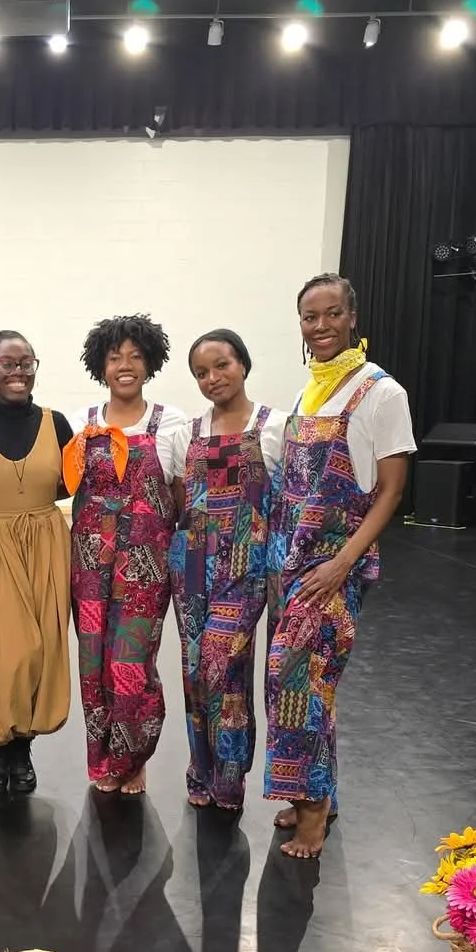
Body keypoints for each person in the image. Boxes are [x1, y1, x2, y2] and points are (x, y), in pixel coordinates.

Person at [266, 273, 415, 858]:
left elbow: (392, 491)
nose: (320, 326)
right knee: (310, 686)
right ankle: (314, 792)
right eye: (310, 316)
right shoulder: (310, 392)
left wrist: (342, 563)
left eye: (331, 314)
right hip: (294, 563)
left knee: (296, 681)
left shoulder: (382, 392)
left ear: (352, 317)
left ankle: (314, 816)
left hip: (335, 566)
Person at [68, 314, 187, 795]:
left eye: (135, 356)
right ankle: (102, 758)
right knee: (93, 659)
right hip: (91, 563)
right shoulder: (82, 423)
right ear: (100, 364)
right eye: (115, 356)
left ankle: (133, 755)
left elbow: (180, 494)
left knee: (132, 660)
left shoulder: (171, 423)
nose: (125, 365)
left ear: (150, 362)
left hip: (145, 565)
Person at [170, 330, 287, 811]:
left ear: (243, 363)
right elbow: (181, 502)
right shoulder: (188, 433)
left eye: (221, 365)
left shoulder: (275, 426)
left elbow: (284, 504)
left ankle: (230, 776)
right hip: (192, 564)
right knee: (195, 672)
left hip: (246, 564)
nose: (212, 378)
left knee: (223, 665)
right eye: (201, 372)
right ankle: (202, 769)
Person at [0, 330, 73, 795]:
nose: (19, 372)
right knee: (4, 651)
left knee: (42, 649)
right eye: (8, 363)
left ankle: (21, 745)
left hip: (47, 541)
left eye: (27, 362)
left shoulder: (57, 423)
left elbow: (74, 483)